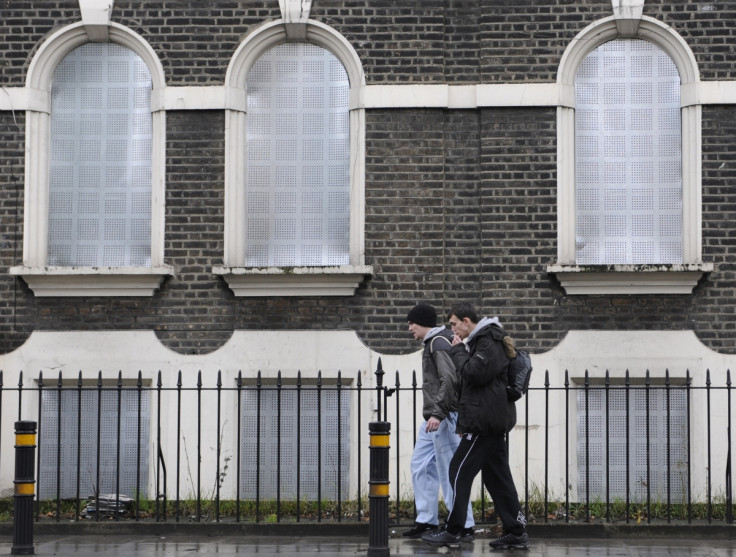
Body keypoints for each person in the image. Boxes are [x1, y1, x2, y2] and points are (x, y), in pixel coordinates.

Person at [421, 302, 529, 550]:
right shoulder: (481, 341)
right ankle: (516, 531)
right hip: (486, 419)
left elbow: (474, 373)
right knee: (498, 479)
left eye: (454, 324)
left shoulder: (488, 339)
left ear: (467, 321)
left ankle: (454, 530)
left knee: (457, 470)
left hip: (485, 422)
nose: (452, 330)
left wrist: (458, 351)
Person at [402, 303, 475, 540]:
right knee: (420, 465)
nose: (409, 328)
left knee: (449, 471)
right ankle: (426, 521)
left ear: (422, 322)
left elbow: (450, 378)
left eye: (412, 323)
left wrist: (438, 413)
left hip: (444, 417)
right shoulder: (434, 342)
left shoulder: (438, 342)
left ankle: (464, 524)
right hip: (433, 418)